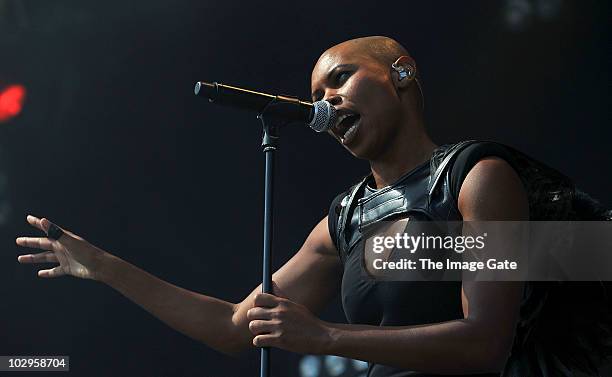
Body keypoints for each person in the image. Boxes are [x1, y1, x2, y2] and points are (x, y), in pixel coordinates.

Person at [16, 36, 531, 376]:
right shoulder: (344, 221)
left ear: (401, 72)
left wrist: (324, 336)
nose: (324, 104)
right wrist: (105, 267)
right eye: (314, 95)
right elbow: (235, 328)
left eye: (340, 79)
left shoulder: (476, 178)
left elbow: (484, 342)